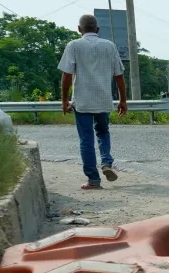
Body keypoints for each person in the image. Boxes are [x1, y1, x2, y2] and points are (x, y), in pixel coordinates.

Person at [58, 14, 127, 190]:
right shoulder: (109, 46)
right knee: (103, 132)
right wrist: (122, 101)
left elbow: (66, 76)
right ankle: (106, 163)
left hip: (82, 101)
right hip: (103, 99)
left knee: (86, 139)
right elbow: (119, 76)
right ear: (97, 30)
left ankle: (93, 180)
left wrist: (64, 100)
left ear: (79, 29)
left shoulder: (73, 45)